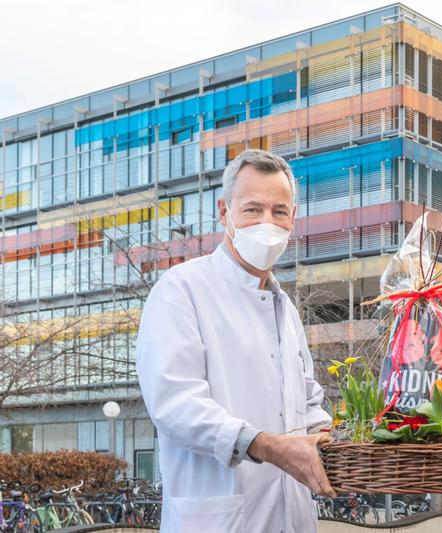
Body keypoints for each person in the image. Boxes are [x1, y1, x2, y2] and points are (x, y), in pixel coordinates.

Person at [136, 149, 336, 533]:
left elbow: (308, 401)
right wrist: (268, 446)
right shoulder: (181, 291)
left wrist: (335, 440)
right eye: (253, 209)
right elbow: (175, 404)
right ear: (224, 212)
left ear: (294, 218)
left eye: (279, 211)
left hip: (292, 518)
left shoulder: (285, 309)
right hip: (217, 521)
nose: (268, 222)